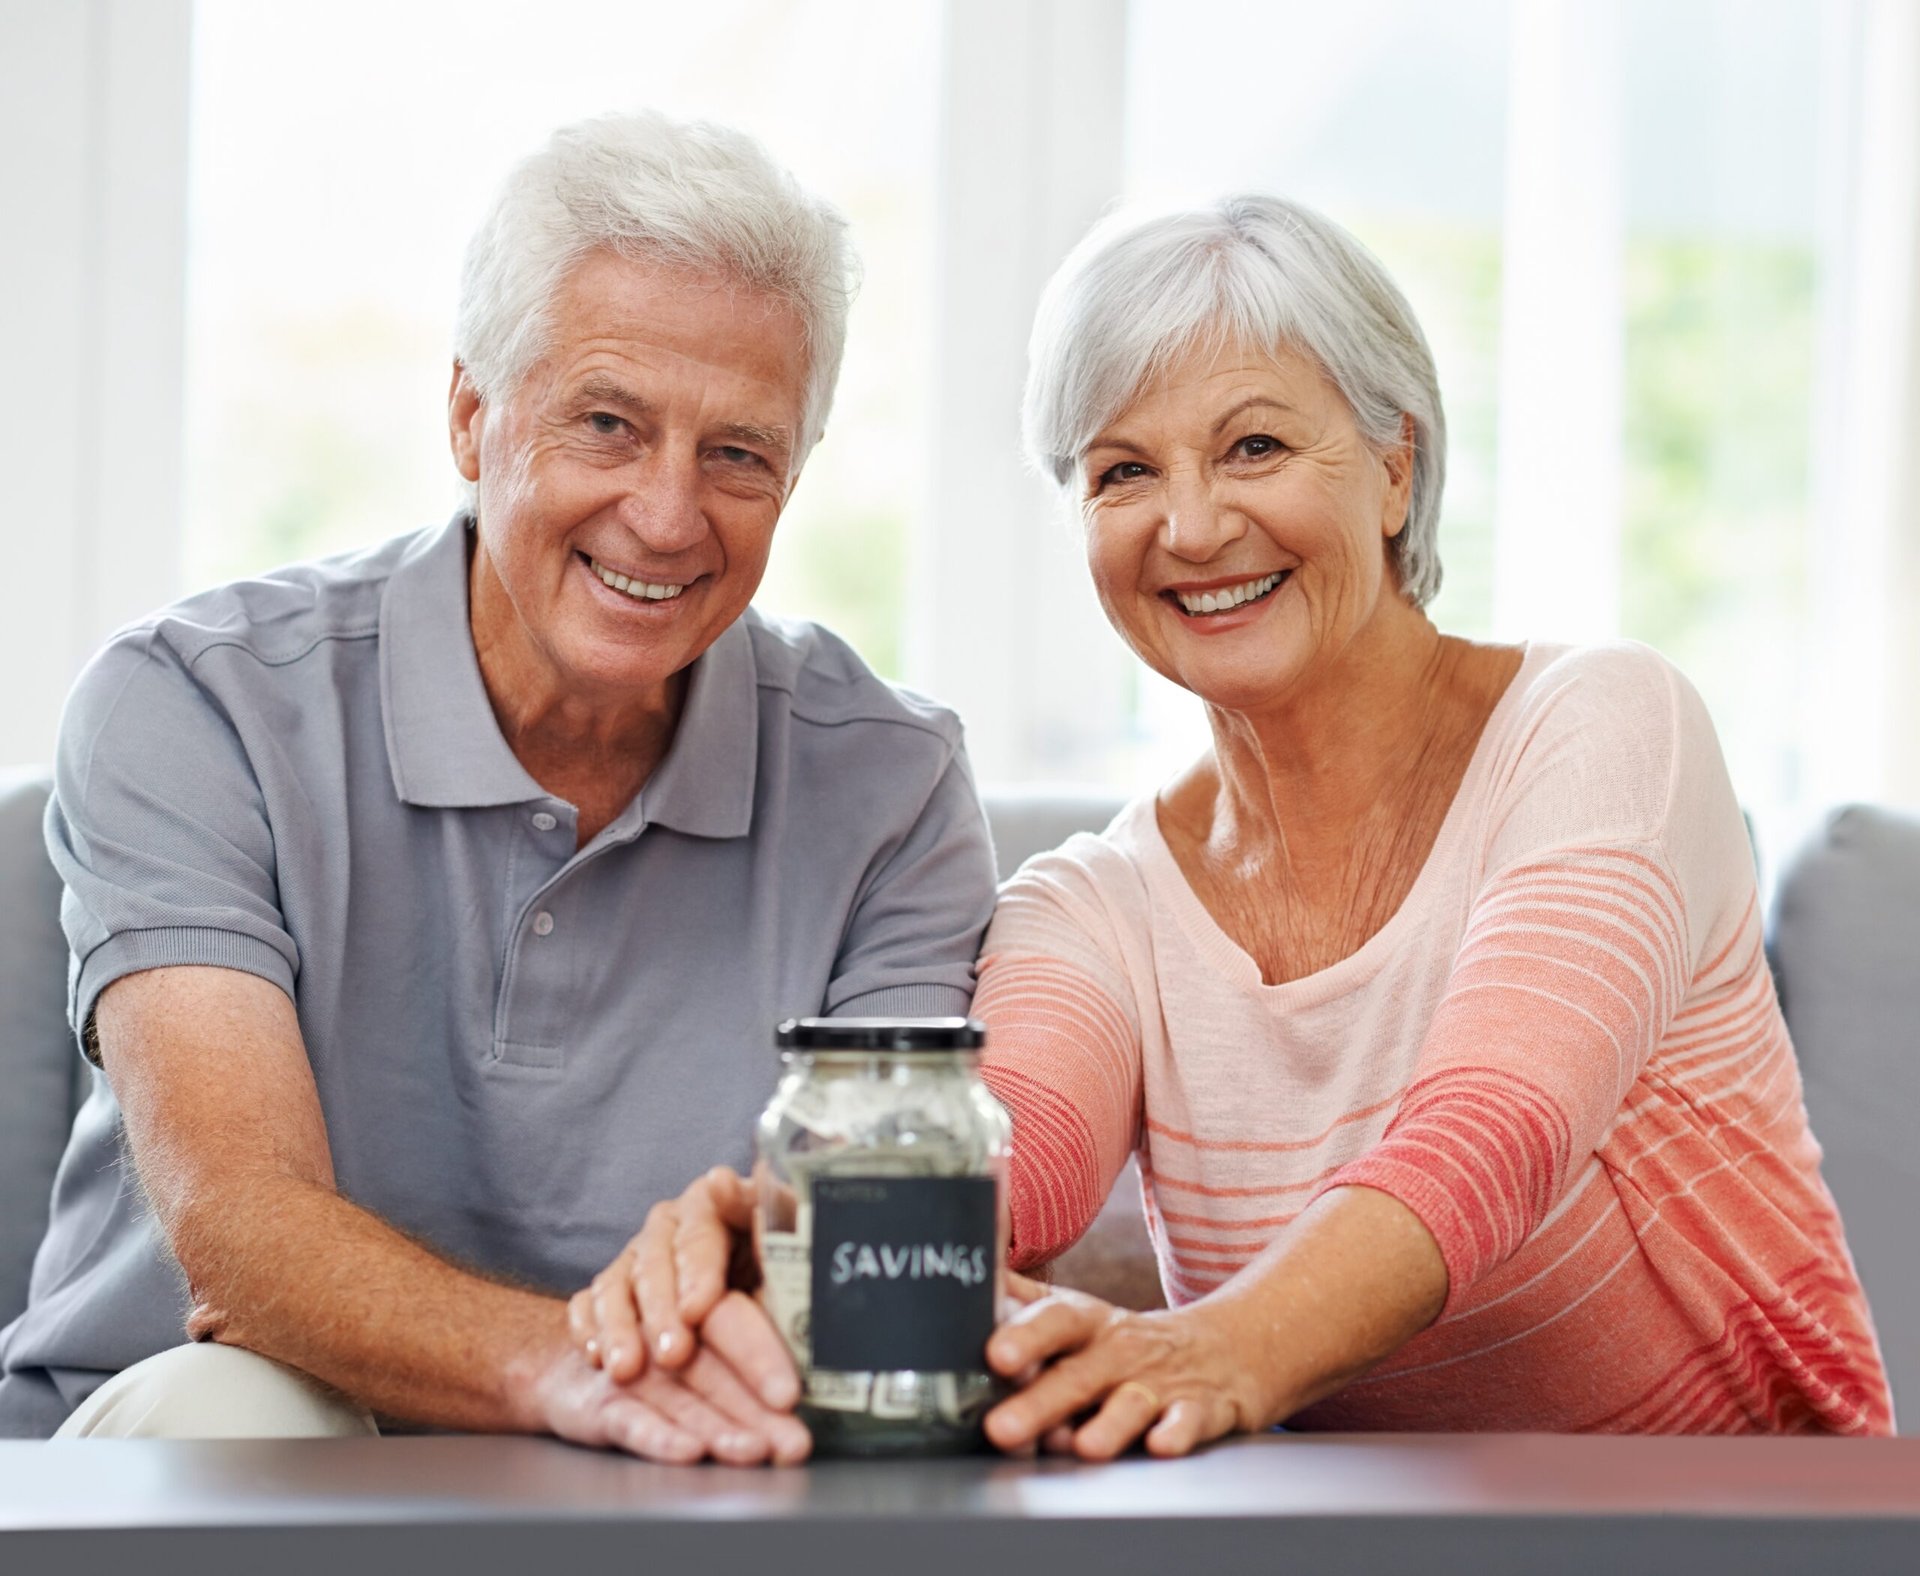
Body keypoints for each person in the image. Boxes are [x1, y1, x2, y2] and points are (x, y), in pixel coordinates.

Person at [579, 194, 1894, 1451]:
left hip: (1761, 1522)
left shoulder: (1605, 724)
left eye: (1255, 446)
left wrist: (1219, 1349)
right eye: (1124, 470)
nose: (1194, 524)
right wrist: (805, 1236)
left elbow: (1494, 1131)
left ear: (1395, 465)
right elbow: (1004, 1179)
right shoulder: (1091, 905)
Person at [0, 111, 997, 1455]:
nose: (665, 512)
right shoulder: (195, 703)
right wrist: (573, 1372)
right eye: (608, 422)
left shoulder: (894, 784)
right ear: (474, 417)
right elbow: (243, 1234)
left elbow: (860, 1264)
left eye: (739, 454)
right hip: (198, 1444)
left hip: (665, 1464)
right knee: (247, 1414)